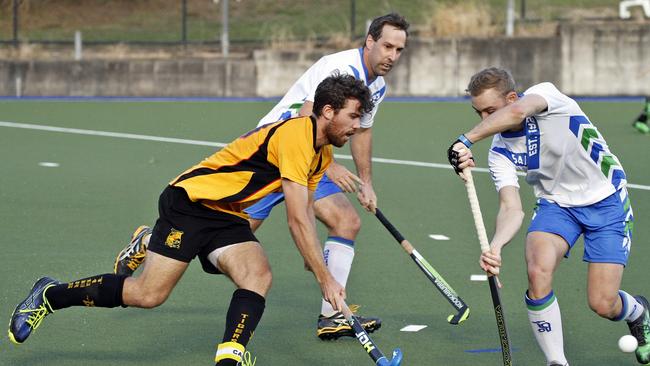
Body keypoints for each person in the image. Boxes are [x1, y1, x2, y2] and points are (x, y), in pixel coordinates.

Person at [9, 74, 374, 366]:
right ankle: (49, 295)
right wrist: (326, 279)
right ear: (327, 110)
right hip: (189, 203)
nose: (357, 126)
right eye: (353, 116)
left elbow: (306, 213)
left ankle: (231, 355)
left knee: (257, 274)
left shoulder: (322, 152)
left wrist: (315, 263)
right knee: (148, 294)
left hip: (226, 214)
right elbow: (295, 220)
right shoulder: (296, 136)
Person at [114, 12, 410, 340]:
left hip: (309, 162)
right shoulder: (340, 68)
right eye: (387, 46)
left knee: (346, 222)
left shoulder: (377, 87)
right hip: (272, 160)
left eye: (399, 50)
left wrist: (366, 182)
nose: (391, 56)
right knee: (219, 256)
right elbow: (305, 121)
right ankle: (152, 239)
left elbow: (363, 132)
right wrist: (331, 166)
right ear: (369, 41)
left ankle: (331, 316)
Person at [447, 67, 650, 365]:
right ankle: (556, 361)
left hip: (607, 200)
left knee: (602, 303)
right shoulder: (499, 151)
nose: (485, 121)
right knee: (537, 269)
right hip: (556, 206)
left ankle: (638, 312)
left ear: (512, 97)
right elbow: (511, 207)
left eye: (490, 111)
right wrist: (497, 245)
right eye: (479, 113)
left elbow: (518, 112)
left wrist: (465, 140)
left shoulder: (547, 96)